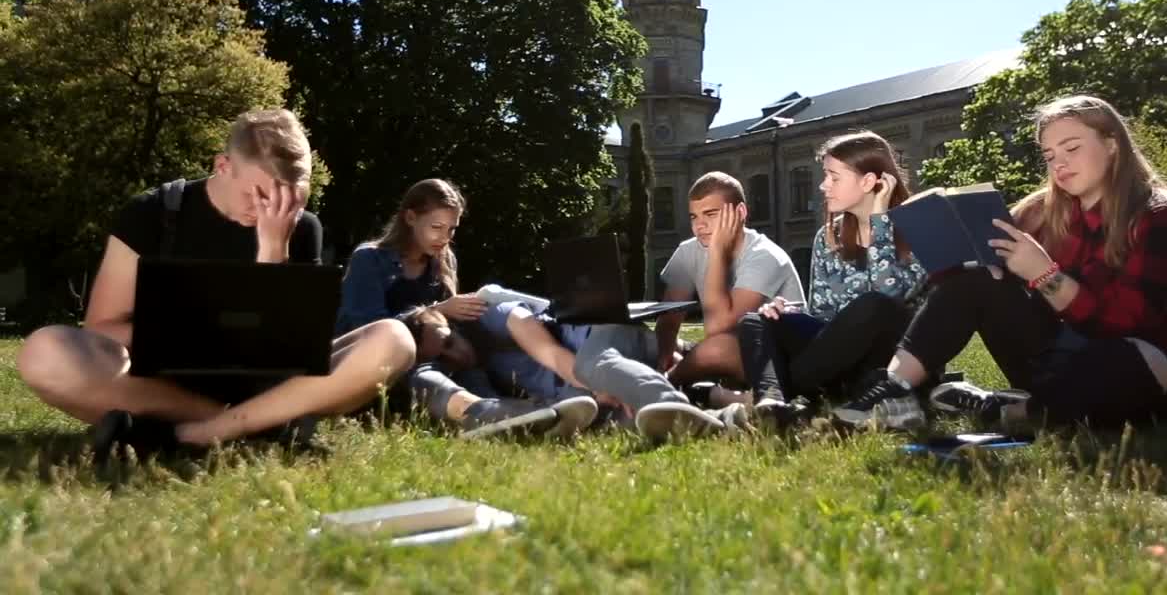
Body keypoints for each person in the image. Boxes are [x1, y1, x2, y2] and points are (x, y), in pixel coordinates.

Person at [16, 109, 417, 459]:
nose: (270, 210)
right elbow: (102, 328)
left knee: (395, 339)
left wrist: (272, 250)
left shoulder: (299, 226)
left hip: (270, 383)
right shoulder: (154, 212)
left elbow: (290, 348)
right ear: (223, 165)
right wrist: (201, 337)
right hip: (164, 383)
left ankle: (206, 432)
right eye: (258, 194)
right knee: (45, 352)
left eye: (289, 200)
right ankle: (259, 424)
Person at [830, 95, 1167, 431]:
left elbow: (1129, 325)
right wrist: (962, 257)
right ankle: (892, 391)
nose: (1059, 163)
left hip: (1165, 378)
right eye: (1049, 155)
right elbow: (960, 287)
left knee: (1124, 360)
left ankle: (1005, 410)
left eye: (1072, 148)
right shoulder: (1042, 212)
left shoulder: (1162, 216)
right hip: (1068, 363)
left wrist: (1045, 274)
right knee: (975, 281)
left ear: (1112, 145)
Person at [335, 178, 596, 438]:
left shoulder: (443, 260)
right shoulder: (369, 259)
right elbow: (367, 331)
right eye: (436, 227)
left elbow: (448, 327)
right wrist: (438, 310)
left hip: (440, 353)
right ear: (410, 218)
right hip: (387, 367)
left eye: (452, 229)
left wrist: (460, 334)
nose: (444, 238)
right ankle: (485, 412)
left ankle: (514, 414)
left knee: (472, 359)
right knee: (420, 369)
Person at [736, 132, 928, 424]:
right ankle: (771, 402)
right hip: (835, 360)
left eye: (834, 177)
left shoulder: (917, 228)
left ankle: (787, 392)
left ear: (868, 181)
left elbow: (889, 293)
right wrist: (787, 313)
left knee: (874, 304)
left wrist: (880, 223)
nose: (824, 185)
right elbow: (824, 317)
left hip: (889, 360)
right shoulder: (829, 236)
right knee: (757, 319)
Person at [475, 300, 750, 442]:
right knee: (632, 425)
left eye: (449, 344)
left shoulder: (494, 315)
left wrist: (600, 390)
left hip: (601, 339)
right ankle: (728, 415)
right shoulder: (475, 372)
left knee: (588, 366)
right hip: (609, 381)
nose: (454, 355)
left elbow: (556, 358)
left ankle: (669, 403)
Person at [655, 172, 805, 393]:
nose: (700, 225)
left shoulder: (766, 255)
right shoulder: (688, 250)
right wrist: (664, 356)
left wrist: (717, 252)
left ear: (740, 212)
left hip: (775, 358)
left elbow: (719, 329)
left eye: (710, 214)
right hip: (728, 348)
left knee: (716, 348)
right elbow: (669, 319)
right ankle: (676, 377)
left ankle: (663, 385)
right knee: (642, 340)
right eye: (694, 216)